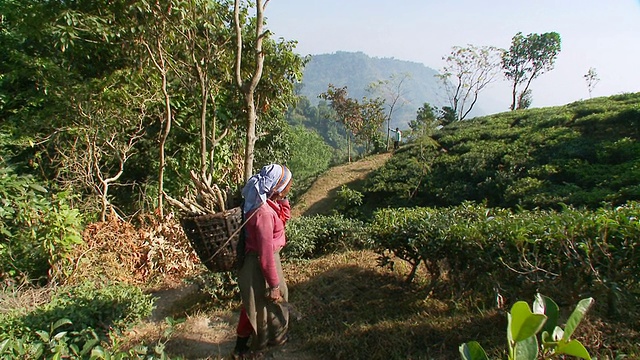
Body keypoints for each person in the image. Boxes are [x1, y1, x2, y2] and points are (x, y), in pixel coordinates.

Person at [232, 164, 293, 359]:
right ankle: (247, 348)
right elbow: (265, 254)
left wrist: (283, 200)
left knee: (259, 304)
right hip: (260, 264)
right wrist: (273, 284)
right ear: (276, 186)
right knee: (259, 305)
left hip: (263, 261)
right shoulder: (264, 213)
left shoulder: (265, 203)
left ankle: (267, 340)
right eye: (287, 184)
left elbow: (283, 220)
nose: (290, 187)